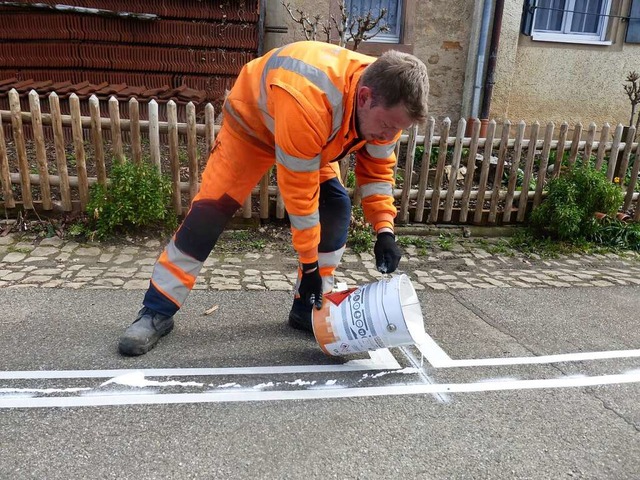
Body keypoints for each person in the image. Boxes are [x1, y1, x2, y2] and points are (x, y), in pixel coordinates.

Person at [118, 40, 430, 356]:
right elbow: (299, 193)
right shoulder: (310, 99)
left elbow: (377, 173)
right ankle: (156, 310)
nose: (387, 135)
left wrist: (385, 232)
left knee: (336, 206)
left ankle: (307, 307)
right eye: (387, 126)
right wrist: (309, 266)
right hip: (252, 129)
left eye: (396, 130)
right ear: (365, 97)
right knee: (208, 215)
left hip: (313, 140)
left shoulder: (385, 97)